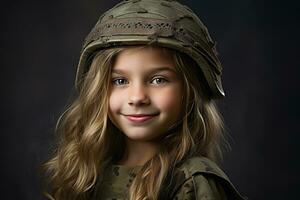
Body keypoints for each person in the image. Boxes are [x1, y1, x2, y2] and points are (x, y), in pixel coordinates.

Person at [42, 0, 247, 199]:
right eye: (120, 80)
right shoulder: (86, 175)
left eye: (158, 80)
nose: (137, 98)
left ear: (191, 91)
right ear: (98, 90)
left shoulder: (192, 183)